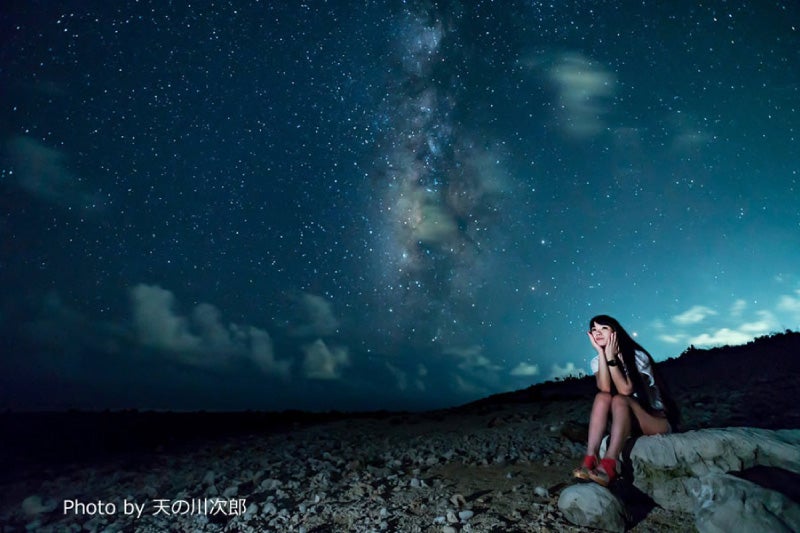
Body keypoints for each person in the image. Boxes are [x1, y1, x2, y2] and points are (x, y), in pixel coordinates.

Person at [573, 315, 679, 486]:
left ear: (615, 332)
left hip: (653, 420)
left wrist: (612, 357)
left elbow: (626, 390)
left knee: (620, 400)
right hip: (628, 423)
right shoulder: (596, 361)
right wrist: (602, 353)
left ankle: (609, 464)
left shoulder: (636, 356)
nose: (598, 333)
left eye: (604, 328)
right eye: (594, 330)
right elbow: (605, 388)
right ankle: (590, 458)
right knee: (602, 397)